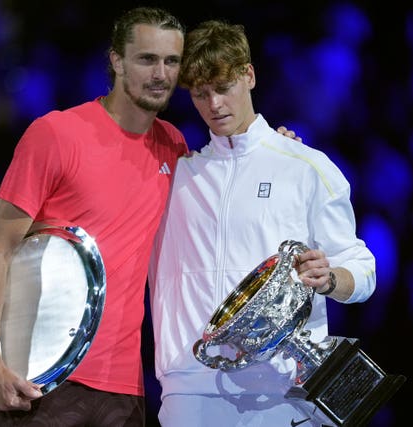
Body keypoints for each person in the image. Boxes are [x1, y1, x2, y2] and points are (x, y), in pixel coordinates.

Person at [148, 20, 376, 426]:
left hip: (279, 392)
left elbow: (363, 268)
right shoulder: (175, 177)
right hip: (187, 390)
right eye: (201, 94)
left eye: (223, 87)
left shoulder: (306, 167)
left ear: (248, 75)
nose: (214, 105)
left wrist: (330, 278)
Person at [0, 7, 188, 426]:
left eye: (171, 61)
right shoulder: (55, 134)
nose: (160, 73)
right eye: (147, 59)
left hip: (126, 389)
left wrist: (272, 140)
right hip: (40, 379)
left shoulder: (173, 146)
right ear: (117, 61)